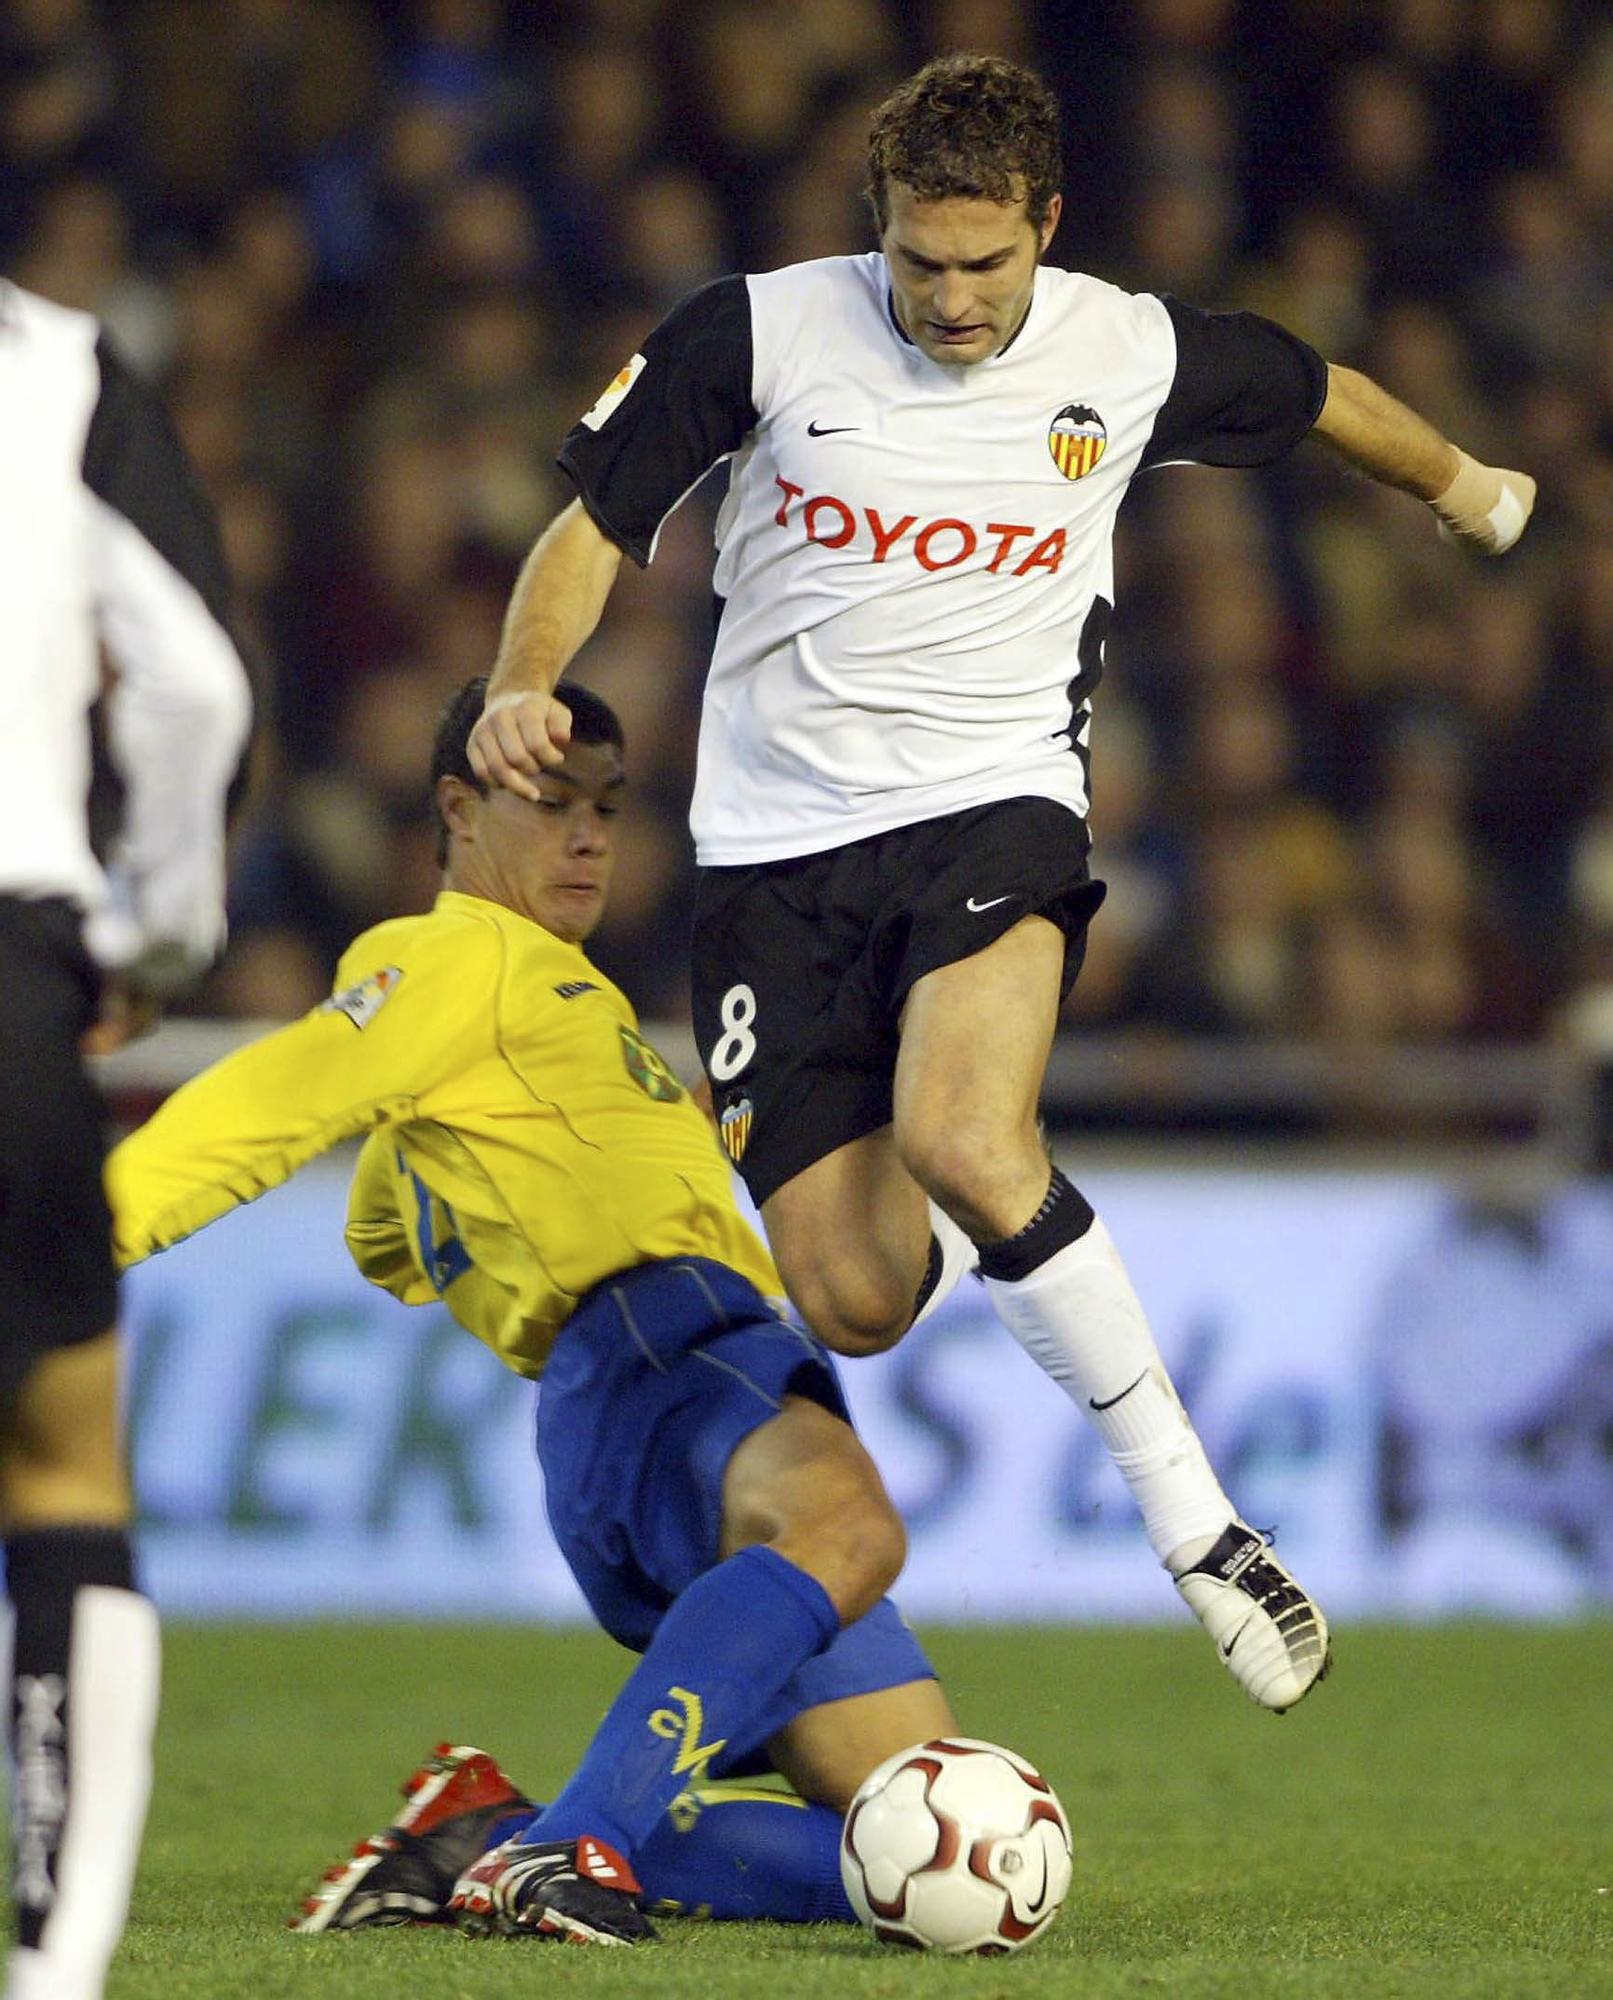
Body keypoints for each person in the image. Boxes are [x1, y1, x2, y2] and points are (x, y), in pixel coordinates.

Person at [467, 53, 1540, 1716]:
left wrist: (1466, 491)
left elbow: (1316, 389)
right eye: (918, 264)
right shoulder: (753, 334)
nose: (953, 300)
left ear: (1046, 222)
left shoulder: (1122, 349)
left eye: (985, 263)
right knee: (860, 1296)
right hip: (771, 860)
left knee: (969, 1139)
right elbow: (589, 530)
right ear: (872, 229)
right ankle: (959, 1307)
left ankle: (1199, 1531)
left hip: (993, 811)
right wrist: (517, 680)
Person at [108, 676, 959, 1948]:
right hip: (660, 1343)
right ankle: (570, 1847)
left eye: (607, 807)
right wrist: (70, 1238)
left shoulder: (552, 1000)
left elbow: (387, 1236)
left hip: (642, 1378)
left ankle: (493, 1832)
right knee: (848, 1523)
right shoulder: (456, 956)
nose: (587, 835)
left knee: (932, 1835)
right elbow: (278, 1097)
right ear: (457, 807)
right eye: (549, 801)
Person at [0, 279, 252, 2000]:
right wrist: (150, 939)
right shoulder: (56, 372)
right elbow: (190, 688)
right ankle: (55, 1977)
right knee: (64, 1479)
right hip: (10, 957)